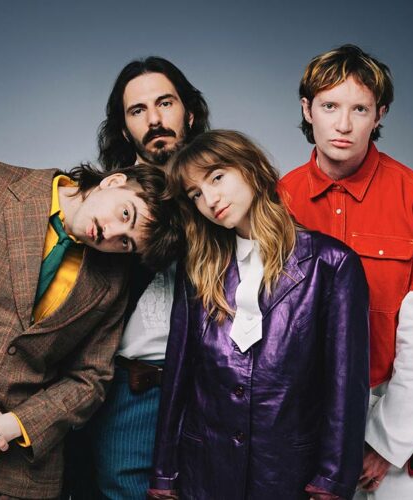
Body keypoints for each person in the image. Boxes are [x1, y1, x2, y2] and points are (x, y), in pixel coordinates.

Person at [148, 130, 370, 499]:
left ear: (251, 167)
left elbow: (345, 385)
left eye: (217, 177)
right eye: (196, 194)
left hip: (287, 472)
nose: (210, 200)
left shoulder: (331, 265)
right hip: (204, 471)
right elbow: (178, 374)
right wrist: (163, 473)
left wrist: (332, 481)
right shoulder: (198, 269)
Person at [0, 157, 180, 499]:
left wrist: (15, 425)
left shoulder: (114, 279)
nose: (112, 234)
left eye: (126, 243)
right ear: (114, 181)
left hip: (23, 471)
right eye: (125, 214)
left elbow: (91, 378)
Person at [279, 44, 413, 500]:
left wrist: (388, 442)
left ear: (379, 115)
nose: (343, 124)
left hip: (391, 401)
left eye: (360, 109)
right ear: (307, 109)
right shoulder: (278, 201)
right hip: (301, 407)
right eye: (330, 106)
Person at [64, 56, 210, 499]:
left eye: (165, 103)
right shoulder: (104, 204)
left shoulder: (222, 191)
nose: (155, 120)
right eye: (138, 110)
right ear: (125, 130)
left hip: (204, 387)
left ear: (189, 112)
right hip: (114, 385)